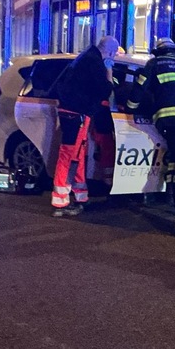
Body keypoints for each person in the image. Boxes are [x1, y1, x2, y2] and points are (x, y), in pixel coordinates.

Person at [125, 38, 175, 226]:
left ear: (158, 52)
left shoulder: (155, 64)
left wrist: (129, 108)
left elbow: (139, 89)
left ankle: (172, 196)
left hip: (170, 121)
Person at [51, 36, 119, 217]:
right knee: (69, 156)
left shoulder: (86, 56)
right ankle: (60, 202)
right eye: (114, 54)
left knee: (78, 155)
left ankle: (81, 197)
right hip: (76, 114)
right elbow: (105, 90)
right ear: (110, 52)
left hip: (74, 113)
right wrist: (109, 70)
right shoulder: (95, 62)